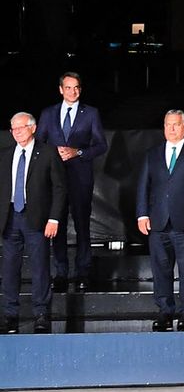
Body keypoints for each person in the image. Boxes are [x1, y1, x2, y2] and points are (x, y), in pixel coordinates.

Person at [136, 109, 184, 331]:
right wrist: (142, 214)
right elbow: (143, 186)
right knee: (161, 269)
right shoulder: (153, 153)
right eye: (167, 124)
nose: (171, 129)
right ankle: (165, 311)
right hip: (158, 223)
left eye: (176, 124)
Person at [36, 72, 107, 290]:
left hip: (80, 177)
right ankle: (61, 272)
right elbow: (38, 144)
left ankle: (83, 272)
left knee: (82, 224)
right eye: (68, 87)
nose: (72, 91)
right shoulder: (48, 113)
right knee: (56, 223)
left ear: (80, 89)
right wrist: (52, 153)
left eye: (76, 87)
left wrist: (78, 152)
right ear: (61, 90)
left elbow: (101, 145)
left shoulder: (91, 113)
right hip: (55, 179)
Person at [2, 112, 66, 334]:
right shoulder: (5, 155)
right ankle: (10, 315)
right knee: (9, 269)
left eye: (21, 127)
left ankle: (41, 314)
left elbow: (59, 188)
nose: (17, 132)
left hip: (37, 218)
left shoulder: (47, 153)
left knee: (40, 267)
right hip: (10, 218)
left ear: (33, 128)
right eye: (13, 128)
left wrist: (54, 218)